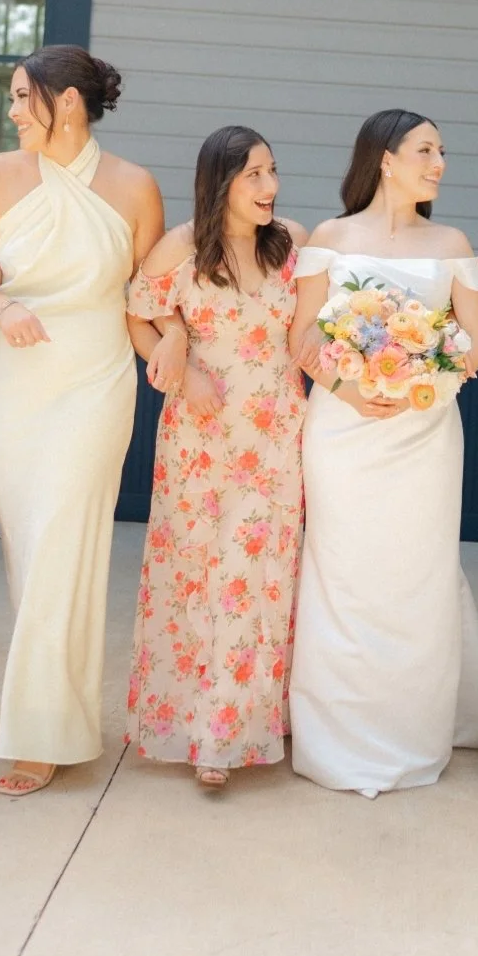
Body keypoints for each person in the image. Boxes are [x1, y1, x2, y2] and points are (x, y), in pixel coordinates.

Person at [0, 45, 165, 797]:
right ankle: (59, 717)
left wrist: (173, 356)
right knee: (29, 549)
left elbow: (146, 299)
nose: (11, 114)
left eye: (20, 98)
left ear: (66, 101)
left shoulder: (137, 187)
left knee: (66, 546)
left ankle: (43, 735)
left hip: (97, 380)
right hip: (15, 383)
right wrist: (0, 298)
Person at [287, 108, 478, 797]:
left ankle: (411, 731)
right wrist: (351, 387)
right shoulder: (331, 237)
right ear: (385, 158)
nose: (439, 163)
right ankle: (338, 737)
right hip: (343, 430)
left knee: (416, 573)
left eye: (442, 151)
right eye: (426, 150)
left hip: (425, 433)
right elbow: (304, 340)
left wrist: (419, 374)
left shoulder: (452, 240)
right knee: (343, 574)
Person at [124, 126, 308, 789]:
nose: (270, 187)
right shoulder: (179, 246)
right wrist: (172, 347)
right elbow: (137, 313)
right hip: (199, 435)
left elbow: (312, 328)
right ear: (220, 181)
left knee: (257, 582)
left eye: (272, 172)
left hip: (275, 433)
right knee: (195, 576)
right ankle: (192, 724)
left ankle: (232, 731)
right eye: (255, 174)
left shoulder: (292, 243)